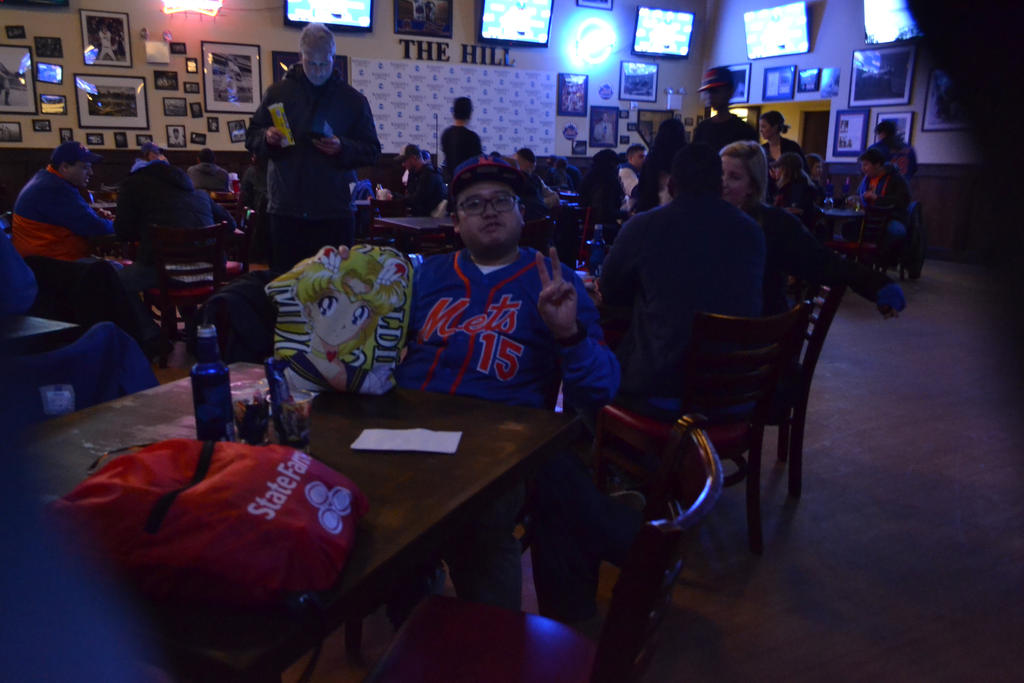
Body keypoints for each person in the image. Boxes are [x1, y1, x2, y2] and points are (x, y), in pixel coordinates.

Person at [392, 155, 636, 621]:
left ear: (522, 213)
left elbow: (603, 387)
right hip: (406, 430)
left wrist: (569, 335)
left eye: (502, 200)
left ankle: (492, 638)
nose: (489, 211)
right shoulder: (426, 276)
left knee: (473, 523)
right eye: (473, 203)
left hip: (496, 450)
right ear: (455, 220)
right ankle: (404, 594)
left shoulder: (553, 280)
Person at [600, 144, 766, 421]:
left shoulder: (644, 226)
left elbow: (610, 290)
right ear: (718, 184)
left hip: (662, 396)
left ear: (672, 185)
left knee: (584, 367)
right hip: (734, 396)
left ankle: (610, 455)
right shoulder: (752, 233)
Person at [246, 22, 381, 273]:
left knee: (334, 291)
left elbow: (372, 150)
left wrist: (343, 147)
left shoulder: (352, 100)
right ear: (301, 57)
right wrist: (266, 137)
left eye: (324, 63)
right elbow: (251, 136)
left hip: (335, 213)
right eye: (312, 63)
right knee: (286, 288)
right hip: (286, 211)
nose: (318, 71)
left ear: (333, 57)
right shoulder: (278, 93)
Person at [720, 140, 905, 318]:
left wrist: (879, 286)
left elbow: (823, 263)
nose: (723, 183)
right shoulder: (708, 217)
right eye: (719, 174)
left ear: (753, 185)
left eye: (734, 177)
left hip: (756, 330)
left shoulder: (773, 223)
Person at [114, 147, 236, 295]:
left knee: (111, 281)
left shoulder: (133, 188)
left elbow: (122, 232)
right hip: (209, 272)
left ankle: (144, 319)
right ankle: (194, 317)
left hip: (164, 273)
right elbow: (231, 225)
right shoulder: (200, 195)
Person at [11, 141, 114, 262]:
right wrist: (119, 224)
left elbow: (84, 220)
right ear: (65, 167)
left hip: (44, 258)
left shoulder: (48, 179)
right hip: (51, 263)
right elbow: (95, 227)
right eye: (85, 167)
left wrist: (96, 217)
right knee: (115, 270)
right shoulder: (54, 188)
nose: (91, 172)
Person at [857, 147, 912, 264]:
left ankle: (882, 260)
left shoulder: (896, 178)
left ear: (877, 164)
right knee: (850, 227)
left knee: (893, 231)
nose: (863, 169)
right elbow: (859, 196)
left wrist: (877, 198)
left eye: (866, 165)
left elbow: (903, 201)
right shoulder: (866, 180)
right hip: (869, 217)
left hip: (893, 217)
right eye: (862, 165)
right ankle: (860, 261)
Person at [692, 66, 758, 154]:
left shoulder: (745, 131)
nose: (710, 96)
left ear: (729, 91)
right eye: (708, 92)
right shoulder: (702, 128)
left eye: (714, 91)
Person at [632, 118, 687, 213]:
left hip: (652, 208)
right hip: (681, 209)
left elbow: (644, 189)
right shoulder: (686, 157)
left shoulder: (653, 157)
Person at [759, 110, 805, 201]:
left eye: (764, 126)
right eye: (760, 127)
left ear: (775, 127)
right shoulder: (762, 149)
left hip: (791, 194)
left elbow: (802, 171)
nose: (761, 130)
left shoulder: (792, 147)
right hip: (768, 194)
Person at [771, 152, 820, 233]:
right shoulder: (787, 187)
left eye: (777, 168)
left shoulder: (798, 189)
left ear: (785, 170)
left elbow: (793, 213)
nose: (775, 171)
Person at [579, 149, 624, 235]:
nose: (618, 167)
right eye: (616, 164)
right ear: (611, 164)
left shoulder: (589, 178)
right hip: (602, 228)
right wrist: (627, 214)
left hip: (587, 226)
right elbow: (606, 213)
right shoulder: (608, 182)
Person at [440, 96, 483, 182]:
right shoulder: (472, 137)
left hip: (452, 184)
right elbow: (478, 164)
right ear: (469, 113)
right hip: (468, 185)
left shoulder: (446, 134)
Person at [397, 144, 446, 217]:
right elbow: (409, 195)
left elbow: (417, 200)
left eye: (404, 161)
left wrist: (394, 197)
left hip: (430, 221)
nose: (403, 164)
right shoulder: (414, 173)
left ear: (414, 158)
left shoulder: (429, 174)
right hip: (420, 218)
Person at [513, 147, 558, 220]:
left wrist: (538, 201)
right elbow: (555, 197)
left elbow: (555, 197)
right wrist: (539, 202)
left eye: (515, 161)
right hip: (541, 224)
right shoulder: (536, 179)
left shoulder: (511, 180)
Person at [617, 143, 646, 211]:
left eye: (645, 157)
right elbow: (638, 192)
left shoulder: (638, 171)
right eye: (641, 157)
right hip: (626, 212)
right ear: (630, 158)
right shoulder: (625, 171)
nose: (644, 159)